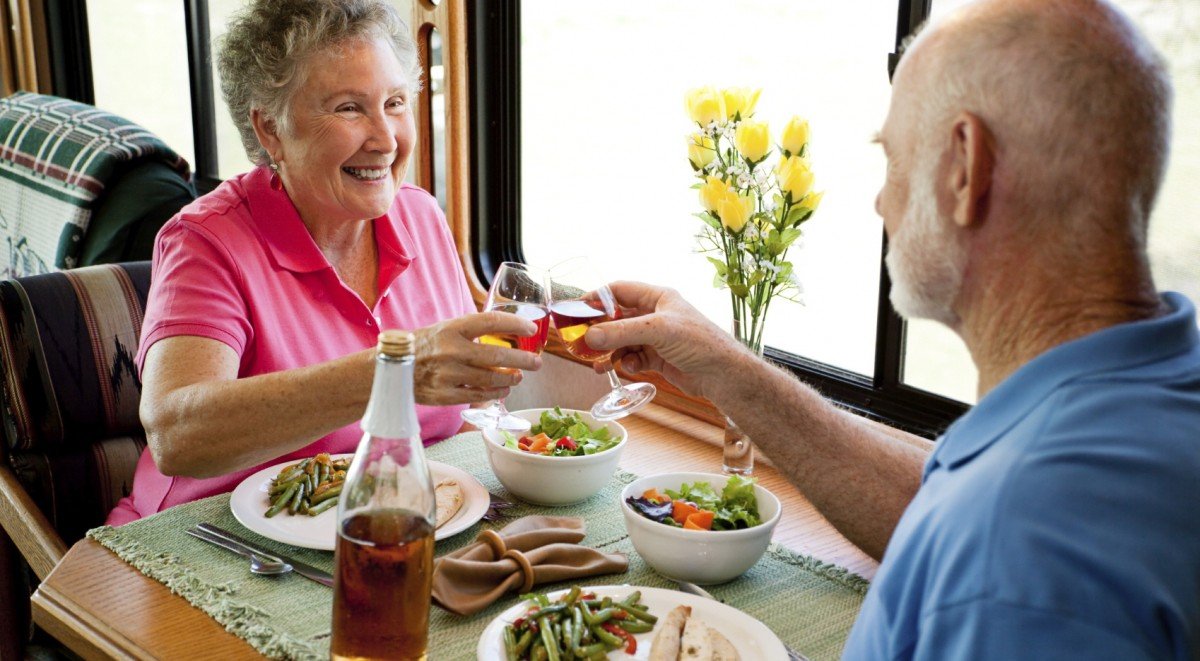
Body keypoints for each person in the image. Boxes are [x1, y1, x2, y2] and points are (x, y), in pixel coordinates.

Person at [584, 0, 1200, 657]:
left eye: (893, 155)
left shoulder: (1018, 553)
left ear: (965, 167)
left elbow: (992, 540)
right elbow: (940, 508)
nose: (881, 200)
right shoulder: (1137, 403)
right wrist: (727, 369)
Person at [108, 0, 540, 525]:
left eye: (396, 102)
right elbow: (177, 437)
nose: (385, 140)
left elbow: (456, 418)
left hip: (380, 525)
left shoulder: (422, 216)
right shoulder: (206, 242)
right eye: (349, 108)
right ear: (270, 129)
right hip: (210, 541)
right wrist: (396, 372)